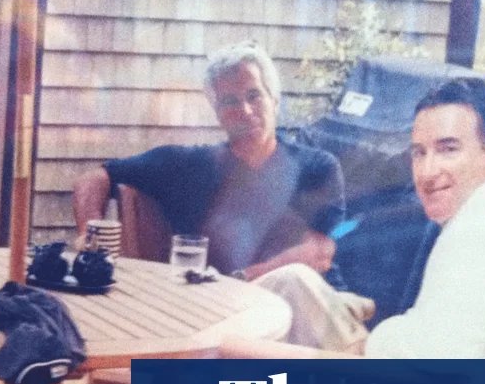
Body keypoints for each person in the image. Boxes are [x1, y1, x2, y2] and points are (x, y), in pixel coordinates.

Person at [262, 77, 485, 358]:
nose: (427, 172)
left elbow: (439, 355)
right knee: (293, 280)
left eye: (448, 149)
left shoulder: (481, 230)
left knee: (256, 339)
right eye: (419, 153)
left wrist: (371, 342)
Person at [72, 42, 346, 282]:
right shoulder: (187, 166)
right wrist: (89, 236)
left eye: (254, 95)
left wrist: (240, 280)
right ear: (218, 113)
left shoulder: (317, 167)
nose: (245, 110)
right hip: (220, 308)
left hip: (310, 300)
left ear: (274, 101)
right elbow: (95, 178)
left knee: (295, 279)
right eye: (230, 102)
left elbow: (317, 254)